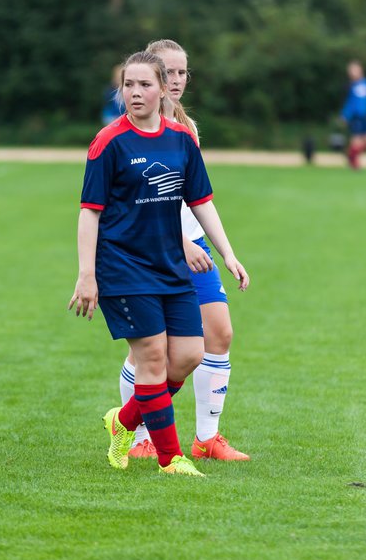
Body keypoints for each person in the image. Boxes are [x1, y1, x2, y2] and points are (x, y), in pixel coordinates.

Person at [69, 51, 250, 476]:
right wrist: (87, 274)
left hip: (170, 264)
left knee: (187, 355)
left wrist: (228, 253)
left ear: (161, 86)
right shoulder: (108, 142)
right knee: (152, 357)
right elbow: (89, 211)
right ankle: (172, 459)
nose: (135, 92)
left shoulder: (181, 139)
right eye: (128, 85)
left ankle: (124, 419)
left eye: (144, 85)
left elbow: (201, 202)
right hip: (123, 267)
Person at [118, 39, 251, 462]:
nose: (176, 80)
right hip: (155, 250)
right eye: (169, 73)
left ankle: (206, 438)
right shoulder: (132, 130)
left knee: (219, 334)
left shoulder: (186, 128)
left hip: (192, 247)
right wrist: (179, 241)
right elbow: (141, 202)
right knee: (148, 353)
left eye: (182, 73)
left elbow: (193, 196)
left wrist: (224, 251)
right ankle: (136, 435)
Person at [341, 60, 366, 170]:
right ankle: (354, 164)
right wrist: (345, 115)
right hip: (356, 116)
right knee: (356, 140)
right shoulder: (351, 86)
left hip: (365, 116)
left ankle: (351, 156)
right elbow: (349, 102)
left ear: (360, 69)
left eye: (354, 69)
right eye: (351, 70)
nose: (352, 72)